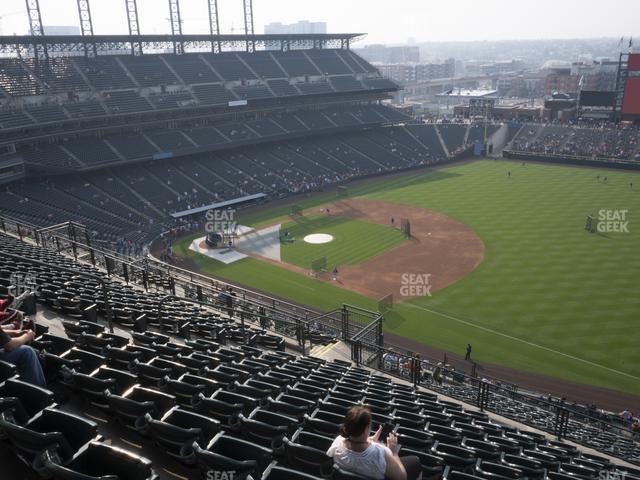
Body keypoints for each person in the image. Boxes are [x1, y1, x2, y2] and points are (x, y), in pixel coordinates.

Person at [327, 405, 422, 480]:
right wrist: (394, 452)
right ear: (365, 430)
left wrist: (369, 440)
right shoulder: (380, 452)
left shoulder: (338, 441)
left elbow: (355, 443)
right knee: (415, 461)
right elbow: (402, 478)